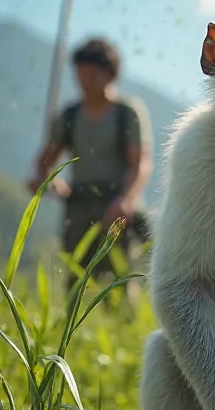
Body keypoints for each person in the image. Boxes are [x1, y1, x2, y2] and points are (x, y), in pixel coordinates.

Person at [28, 37, 153, 287]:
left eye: (91, 75)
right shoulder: (70, 115)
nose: (84, 82)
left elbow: (140, 164)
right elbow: (45, 160)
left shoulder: (127, 113)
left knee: (117, 279)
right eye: (80, 75)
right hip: (79, 206)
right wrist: (46, 181)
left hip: (116, 205)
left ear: (109, 75)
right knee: (74, 280)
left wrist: (126, 200)